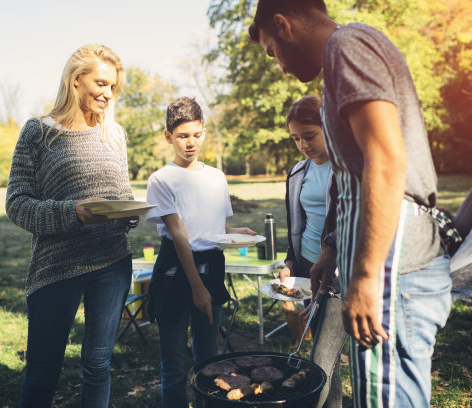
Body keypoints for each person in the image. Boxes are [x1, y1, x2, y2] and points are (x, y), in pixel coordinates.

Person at [249, 2, 452, 407]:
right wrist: (330, 247)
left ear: (283, 24)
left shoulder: (347, 45)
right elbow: (353, 173)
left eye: (273, 54)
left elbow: (387, 161)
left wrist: (363, 279)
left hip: (393, 265)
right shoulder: (339, 66)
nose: (281, 69)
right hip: (382, 264)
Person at [6, 44, 137, 408]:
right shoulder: (39, 132)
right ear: (76, 80)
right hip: (56, 267)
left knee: (97, 365)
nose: (108, 94)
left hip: (112, 262)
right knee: (43, 371)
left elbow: (122, 192)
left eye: (113, 87)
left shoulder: (115, 135)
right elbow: (16, 204)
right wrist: (73, 212)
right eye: (100, 83)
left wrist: (129, 212)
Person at [145, 96, 256, 408]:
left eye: (197, 134)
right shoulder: (161, 179)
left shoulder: (216, 177)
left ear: (204, 131)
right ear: (168, 137)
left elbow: (208, 226)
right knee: (174, 363)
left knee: (210, 360)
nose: (190, 143)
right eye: (182, 136)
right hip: (176, 270)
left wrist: (236, 232)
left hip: (212, 265)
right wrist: (197, 287)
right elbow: (180, 234)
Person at [280, 95, 346, 408]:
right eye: (296, 138)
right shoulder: (298, 173)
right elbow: (297, 221)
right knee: (325, 357)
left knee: (320, 358)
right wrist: (291, 261)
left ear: (328, 127)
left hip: (339, 273)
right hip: (308, 268)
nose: (303, 145)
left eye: (309, 135)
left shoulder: (348, 168)